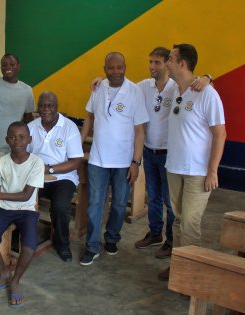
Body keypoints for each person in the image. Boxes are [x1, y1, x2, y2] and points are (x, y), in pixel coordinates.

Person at [90, 48, 211, 259]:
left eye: (157, 62)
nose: (152, 66)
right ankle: (155, 234)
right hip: (149, 150)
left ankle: (171, 241)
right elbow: (119, 86)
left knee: (170, 202)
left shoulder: (177, 87)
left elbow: (197, 83)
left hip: (170, 154)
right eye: (151, 62)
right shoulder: (144, 86)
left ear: (168, 64)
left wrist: (208, 78)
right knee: (153, 197)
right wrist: (102, 80)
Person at [158, 44, 226, 281]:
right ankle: (179, 266)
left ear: (182, 64)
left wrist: (212, 171)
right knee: (177, 220)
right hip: (174, 167)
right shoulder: (174, 89)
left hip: (198, 171)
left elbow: (220, 134)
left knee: (190, 224)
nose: (167, 62)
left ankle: (191, 277)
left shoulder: (208, 94)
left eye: (170, 58)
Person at [79, 52, 149, 266]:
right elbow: (89, 118)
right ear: (104, 68)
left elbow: (139, 130)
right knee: (95, 204)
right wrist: (78, 145)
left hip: (123, 162)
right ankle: (91, 246)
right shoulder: (98, 88)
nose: (116, 71)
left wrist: (136, 162)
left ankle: (112, 238)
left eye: (120, 67)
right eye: (111, 68)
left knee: (119, 204)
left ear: (125, 67)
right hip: (98, 160)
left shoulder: (134, 92)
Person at [0, 121, 44, 308]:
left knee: (30, 247)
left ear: (29, 139)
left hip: (26, 210)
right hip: (3, 208)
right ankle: (4, 273)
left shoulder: (37, 163)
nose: (17, 141)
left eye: (22, 137)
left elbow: (26, 196)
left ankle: (15, 280)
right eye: (12, 137)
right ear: (7, 140)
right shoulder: (1, 162)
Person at [27, 91, 84, 262]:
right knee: (23, 200)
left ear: (57, 107)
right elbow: (23, 154)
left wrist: (49, 169)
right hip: (37, 177)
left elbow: (75, 161)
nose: (46, 109)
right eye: (42, 106)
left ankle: (62, 243)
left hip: (63, 178)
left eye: (50, 105)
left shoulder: (69, 127)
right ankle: (26, 239)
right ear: (38, 108)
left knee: (60, 206)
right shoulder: (31, 127)